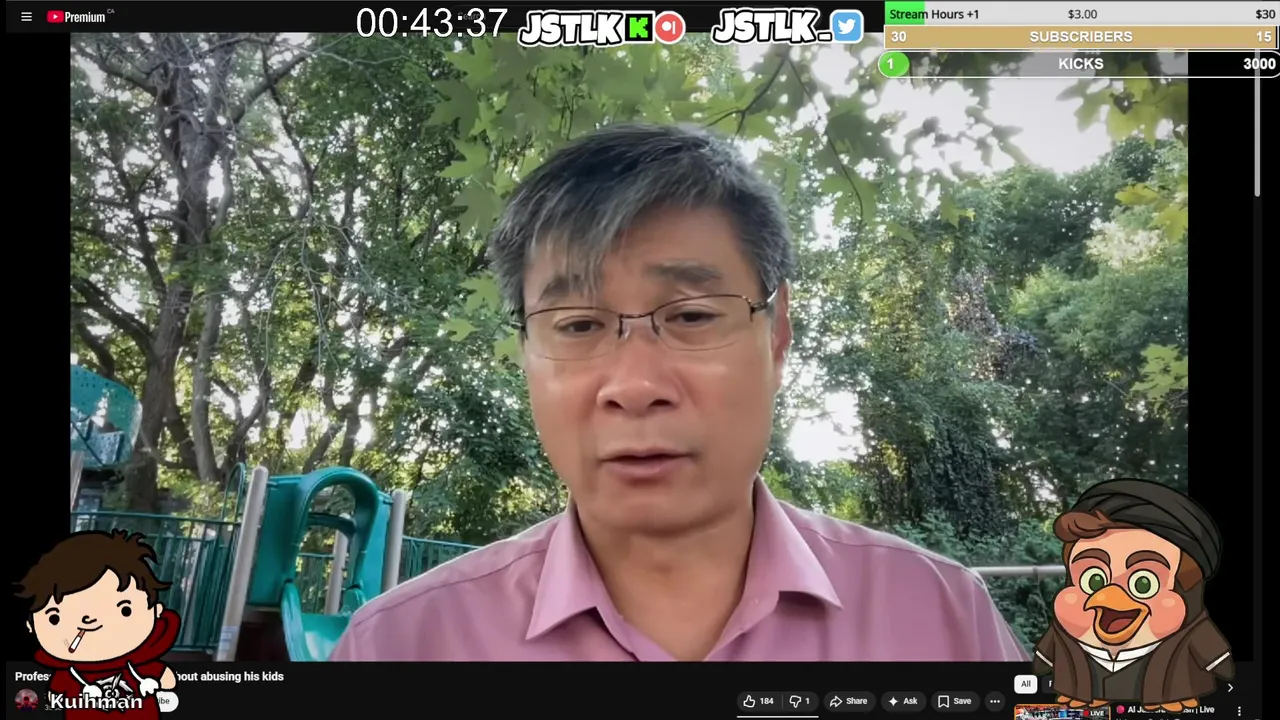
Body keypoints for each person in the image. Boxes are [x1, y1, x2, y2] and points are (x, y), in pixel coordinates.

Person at [330, 123, 1027, 661]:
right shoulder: (402, 647)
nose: (635, 387)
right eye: (578, 324)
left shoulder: (942, 620)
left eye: (691, 316)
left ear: (777, 334)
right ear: (527, 354)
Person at [16, 530, 181, 718]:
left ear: (156, 611)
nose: (89, 620)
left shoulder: (141, 665)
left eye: (125, 610)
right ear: (31, 626)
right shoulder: (68, 674)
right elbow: (53, 698)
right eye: (55, 618)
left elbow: (168, 679)